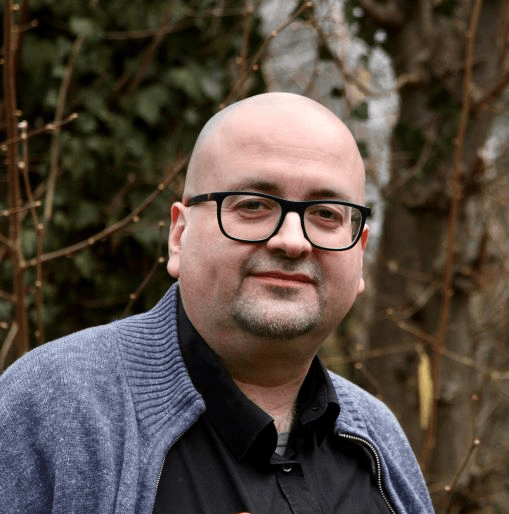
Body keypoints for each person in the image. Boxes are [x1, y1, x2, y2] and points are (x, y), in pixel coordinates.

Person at [0, 92, 434, 513]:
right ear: (179, 236)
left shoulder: (380, 440)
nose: (292, 241)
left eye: (326, 214)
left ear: (360, 253)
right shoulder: (56, 407)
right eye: (253, 205)